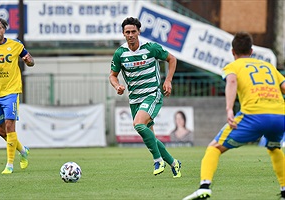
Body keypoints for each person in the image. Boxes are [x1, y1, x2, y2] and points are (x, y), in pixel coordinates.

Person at [182, 32, 285, 199]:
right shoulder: (269, 67)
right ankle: (284, 190)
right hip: (280, 116)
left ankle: (204, 186)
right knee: (274, 147)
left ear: (232, 52)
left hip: (254, 115)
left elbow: (231, 81)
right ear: (252, 51)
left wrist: (229, 109)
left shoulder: (233, 67)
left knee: (214, 147)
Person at [109, 17, 181, 178]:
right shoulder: (120, 53)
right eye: (127, 32)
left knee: (138, 125)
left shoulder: (150, 48)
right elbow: (112, 75)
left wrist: (168, 80)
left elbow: (172, 59)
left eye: (133, 31)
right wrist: (117, 86)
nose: (130, 35)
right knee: (150, 137)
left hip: (152, 94)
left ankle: (158, 160)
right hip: (135, 100)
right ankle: (174, 163)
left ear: (139, 32)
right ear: (123, 34)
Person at [0, 18, 35, 174]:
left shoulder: (15, 45)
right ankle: (23, 151)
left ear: (4, 29)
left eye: (0, 28)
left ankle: (9, 164)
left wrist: (28, 61)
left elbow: (31, 61)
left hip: (11, 92)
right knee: (2, 132)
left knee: (9, 125)